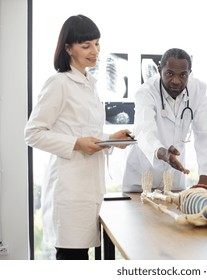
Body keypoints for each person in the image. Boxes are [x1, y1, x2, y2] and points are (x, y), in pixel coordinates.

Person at [24, 15, 133, 260]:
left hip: (88, 188)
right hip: (69, 190)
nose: (95, 51)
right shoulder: (59, 83)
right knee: (72, 258)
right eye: (86, 46)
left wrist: (111, 139)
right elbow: (32, 133)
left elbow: (83, 132)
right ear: (68, 48)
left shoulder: (88, 83)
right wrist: (76, 144)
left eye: (97, 44)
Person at [122, 48, 207, 192]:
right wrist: (163, 153)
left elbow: (205, 133)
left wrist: (205, 177)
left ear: (190, 73)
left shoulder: (198, 90)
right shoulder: (146, 92)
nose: (176, 81)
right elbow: (144, 132)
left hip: (174, 180)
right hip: (141, 180)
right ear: (160, 70)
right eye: (169, 73)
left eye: (183, 75)